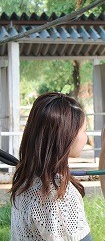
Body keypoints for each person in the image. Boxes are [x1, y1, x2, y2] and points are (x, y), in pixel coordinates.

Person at [10, 92, 92, 241]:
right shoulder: (59, 196)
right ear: (67, 135)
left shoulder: (24, 182)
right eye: (84, 130)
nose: (86, 137)